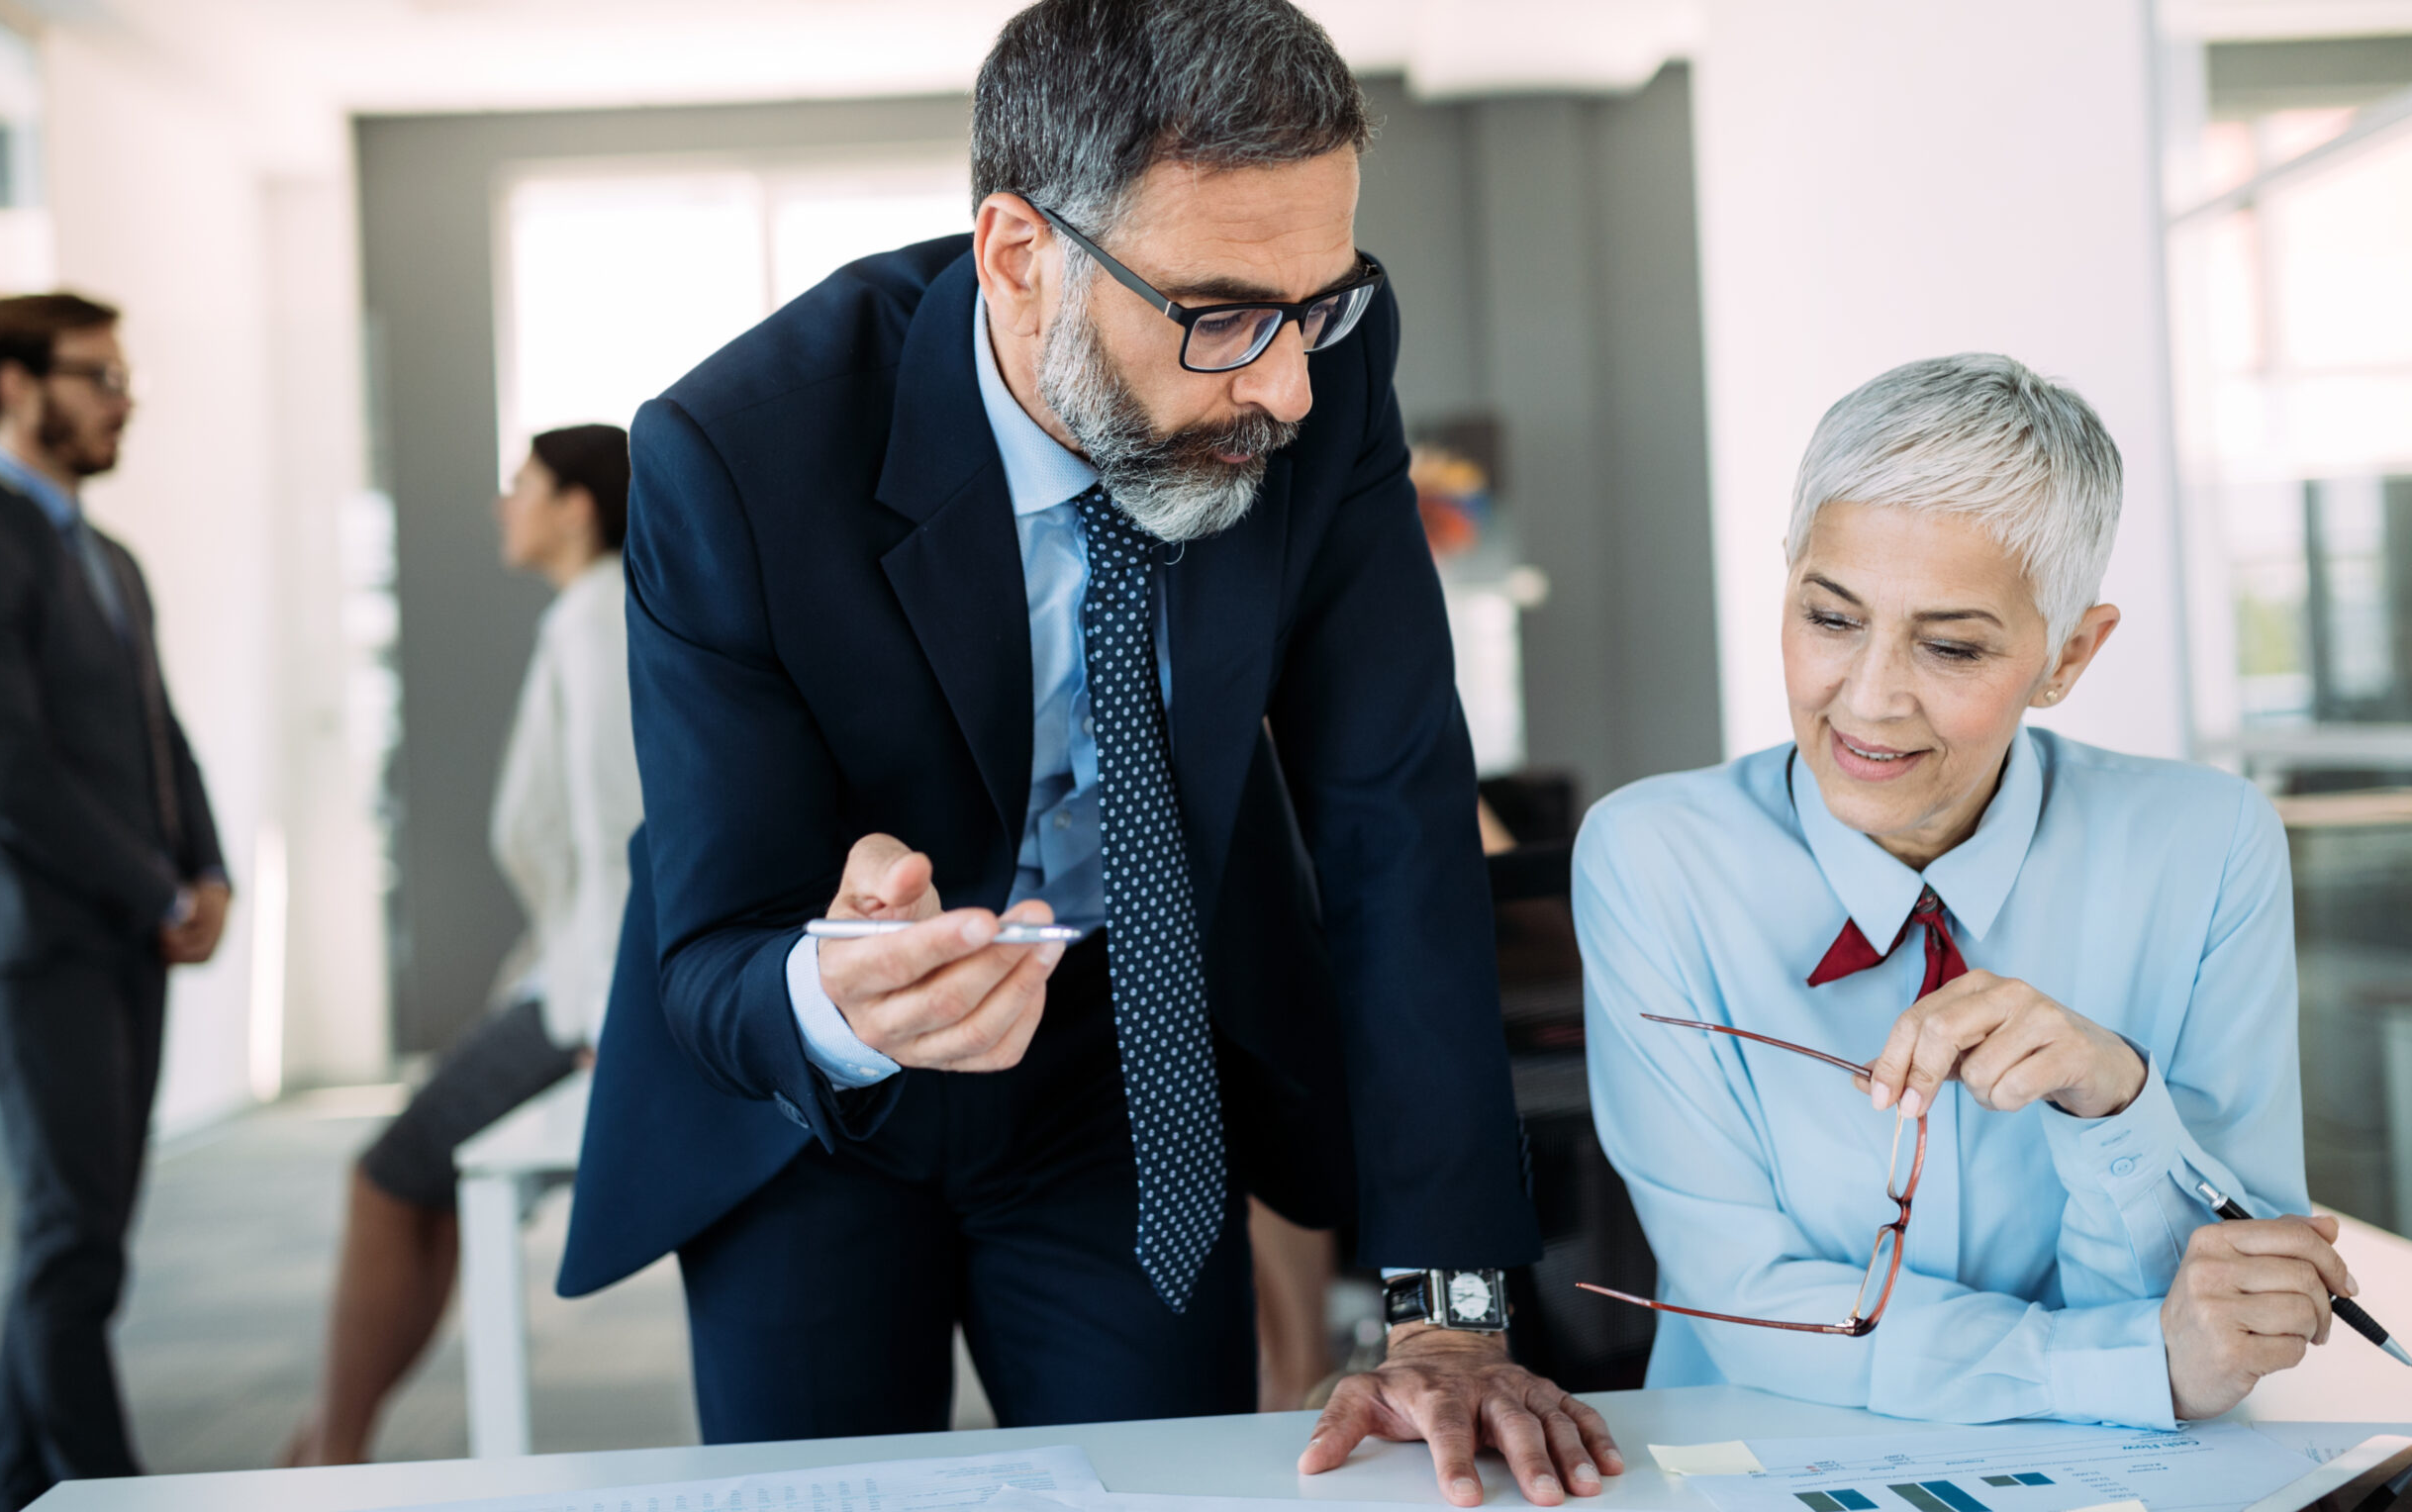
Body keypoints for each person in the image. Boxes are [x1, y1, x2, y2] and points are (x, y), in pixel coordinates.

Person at [557, 1, 1623, 1502]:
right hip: (812, 1108)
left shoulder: (1321, 382)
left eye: (1323, 303)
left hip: (1130, 1064)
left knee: (1169, 1489)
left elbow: (1394, 822)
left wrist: (1449, 1309)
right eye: (1223, 312)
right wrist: (848, 994)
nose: (1287, 386)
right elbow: (712, 931)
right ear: (1017, 255)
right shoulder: (735, 454)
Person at [1577, 353, 2349, 1429]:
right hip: (1759, 1460)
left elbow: (2231, 1308)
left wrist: (2113, 1098)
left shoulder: (2207, 845)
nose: (1868, 699)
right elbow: (1742, 1297)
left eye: (1948, 645)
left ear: (2069, 653)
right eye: (1830, 618)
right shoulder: (1652, 857)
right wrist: (2122, 1365)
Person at [0, 293, 231, 1512]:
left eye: (123, 379)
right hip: (29, 946)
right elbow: (6, 775)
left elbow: (157, 732)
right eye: (98, 377)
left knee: (75, 1235)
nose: (121, 401)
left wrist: (210, 868)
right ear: (18, 387)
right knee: (73, 1238)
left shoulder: (108, 557)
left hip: (120, 934)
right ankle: (105, 1491)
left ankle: (9, 1485)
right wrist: (154, 885)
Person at [282, 424, 638, 1466]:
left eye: (519, 484)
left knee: (387, 1178)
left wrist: (600, 1021)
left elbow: (620, 835)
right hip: (563, 977)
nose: (501, 506)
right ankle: (329, 1441)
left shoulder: (595, 620)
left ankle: (328, 1454)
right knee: (415, 1185)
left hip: (586, 996)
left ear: (575, 506)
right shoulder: (588, 616)